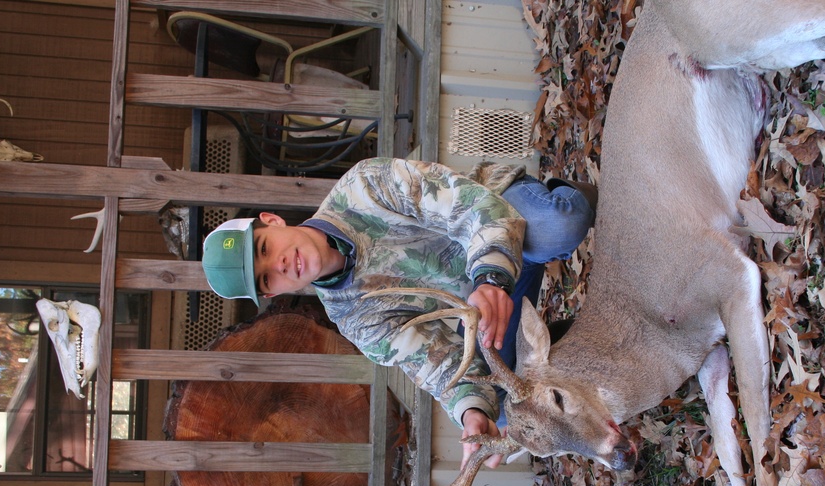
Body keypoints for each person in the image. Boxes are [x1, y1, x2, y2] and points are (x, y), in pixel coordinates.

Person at [202, 157, 595, 468]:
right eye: (267, 279)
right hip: (490, 307)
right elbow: (436, 362)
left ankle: (572, 197)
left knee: (560, 225)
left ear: (271, 222)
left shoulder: (362, 187)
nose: (280, 266)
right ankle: (573, 341)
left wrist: (490, 277)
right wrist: (471, 411)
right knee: (505, 409)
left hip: (501, 216)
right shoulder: (353, 317)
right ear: (274, 292)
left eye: (265, 249)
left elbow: (471, 208)